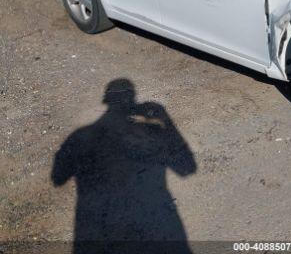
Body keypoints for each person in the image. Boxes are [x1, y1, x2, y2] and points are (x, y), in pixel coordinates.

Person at [51, 78, 196, 253]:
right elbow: (187, 167)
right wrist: (165, 119)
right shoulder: (153, 133)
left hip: (100, 233)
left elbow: (58, 177)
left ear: (106, 101)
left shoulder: (81, 137)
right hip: (149, 232)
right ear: (134, 103)